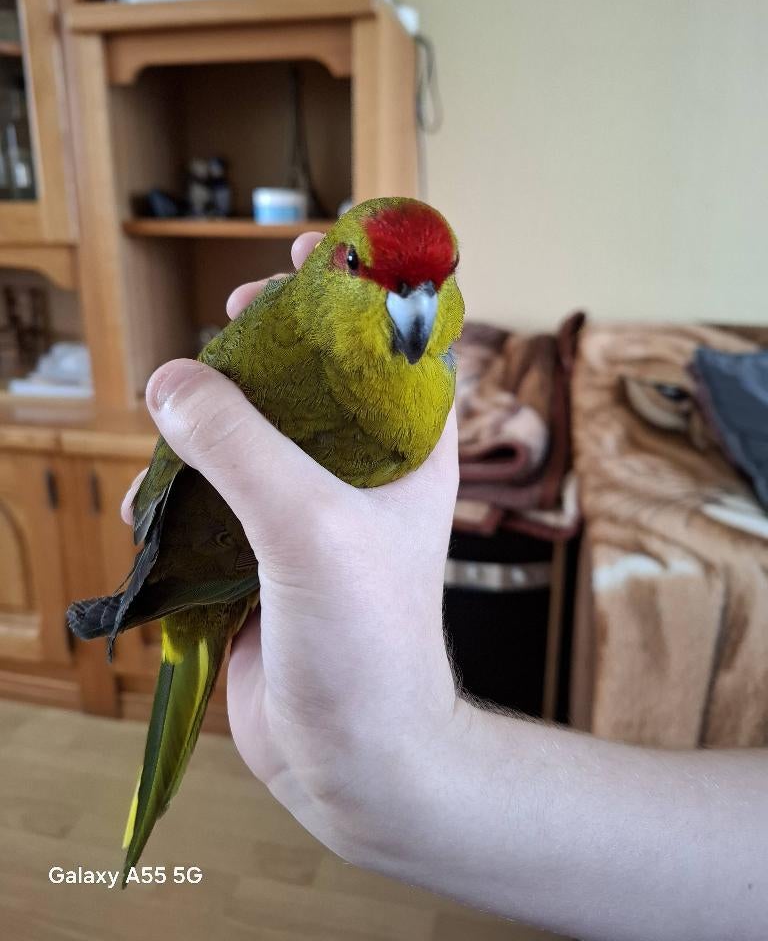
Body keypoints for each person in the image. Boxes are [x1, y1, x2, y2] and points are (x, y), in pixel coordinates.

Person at [124, 233, 767, 941]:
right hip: (209, 579)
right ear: (334, 266)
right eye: (361, 269)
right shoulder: (346, 398)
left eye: (437, 280)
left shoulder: (414, 383)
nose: (415, 309)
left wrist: (414, 768)